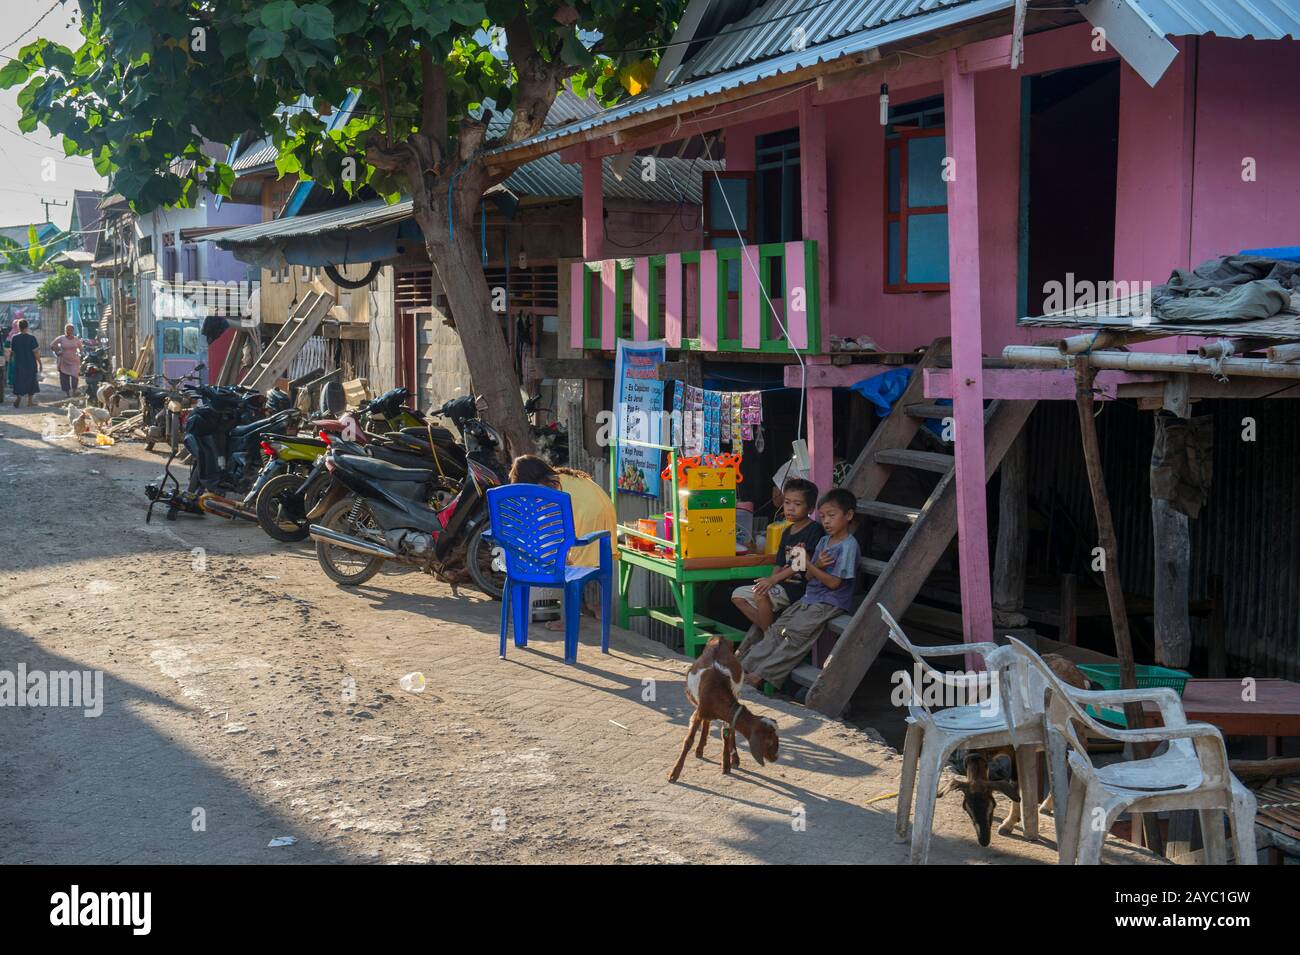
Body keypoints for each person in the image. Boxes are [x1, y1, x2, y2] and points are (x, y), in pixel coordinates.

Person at [740, 487, 859, 690]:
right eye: (822, 517)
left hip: (828, 602)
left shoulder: (848, 546)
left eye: (831, 515)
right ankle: (743, 667)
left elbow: (834, 583)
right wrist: (815, 565)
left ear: (848, 515)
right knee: (776, 631)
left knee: (794, 637)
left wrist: (810, 563)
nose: (827, 521)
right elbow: (810, 575)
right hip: (810, 596)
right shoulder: (824, 540)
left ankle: (760, 675)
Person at [508, 454, 618, 630]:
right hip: (605, 521)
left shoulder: (549, 488)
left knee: (566, 567)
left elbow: (556, 527)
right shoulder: (561, 476)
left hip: (590, 521)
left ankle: (567, 621)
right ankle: (594, 607)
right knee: (582, 563)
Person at [731, 477, 823, 631]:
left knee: (761, 596)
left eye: (797, 504)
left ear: (811, 509)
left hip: (800, 588)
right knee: (738, 596)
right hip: (781, 585)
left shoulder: (814, 530)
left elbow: (799, 564)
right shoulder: (787, 531)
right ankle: (770, 630)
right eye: (787, 502)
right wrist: (770, 581)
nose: (790, 508)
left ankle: (768, 637)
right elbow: (779, 563)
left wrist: (773, 581)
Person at [7, 319, 41, 408]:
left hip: (19, 363)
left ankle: (18, 397)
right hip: (30, 363)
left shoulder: (14, 338)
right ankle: (30, 402)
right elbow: (35, 352)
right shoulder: (32, 338)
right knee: (31, 381)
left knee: (19, 380)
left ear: (19, 327)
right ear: (27, 327)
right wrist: (40, 363)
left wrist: (11, 361)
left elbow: (13, 352)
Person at [51, 324, 83, 398]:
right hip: (64, 360)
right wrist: (57, 352)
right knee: (64, 377)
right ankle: (67, 393)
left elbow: (81, 348)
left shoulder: (76, 339)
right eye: (67, 330)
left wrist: (81, 353)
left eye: (70, 330)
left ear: (73, 330)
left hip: (74, 360)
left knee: (75, 376)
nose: (69, 331)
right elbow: (52, 345)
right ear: (65, 330)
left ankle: (74, 391)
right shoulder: (61, 338)